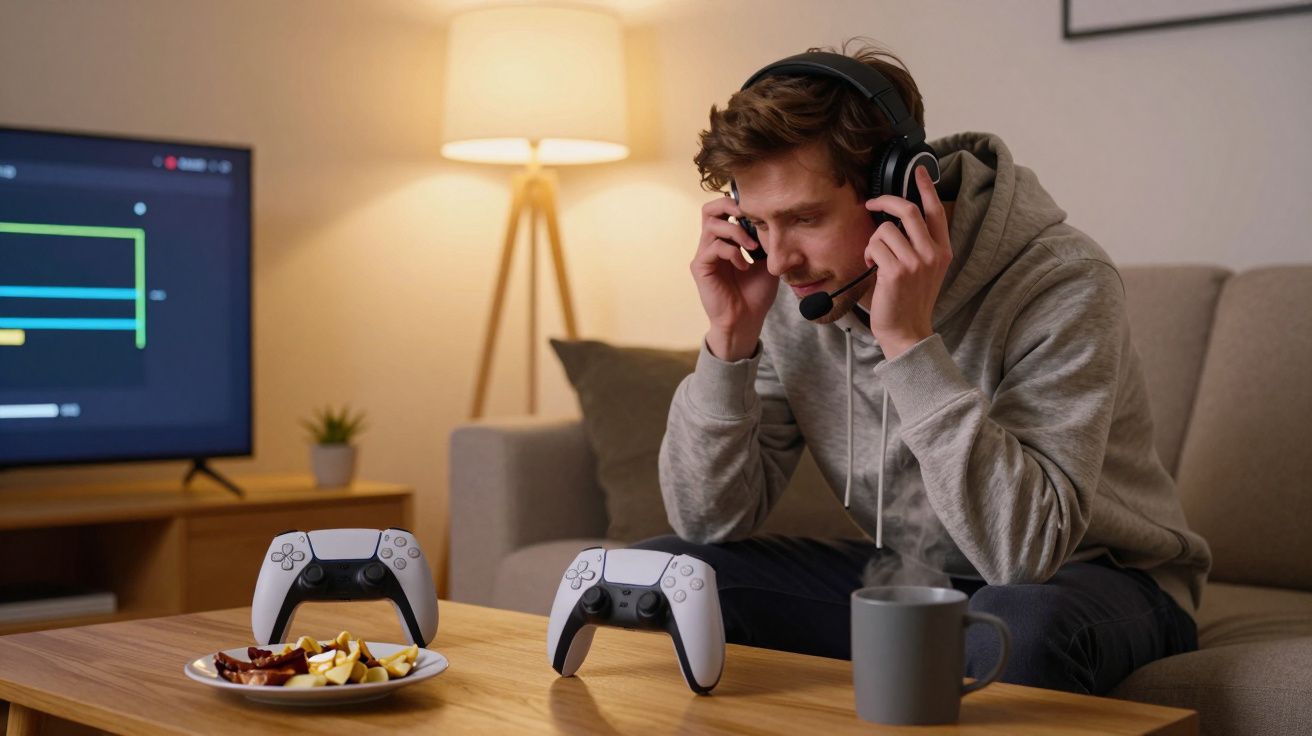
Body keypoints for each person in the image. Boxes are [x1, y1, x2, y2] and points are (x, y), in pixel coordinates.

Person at [635, 41, 1212, 695]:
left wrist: (909, 344)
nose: (778, 260)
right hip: (913, 572)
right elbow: (709, 523)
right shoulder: (788, 291)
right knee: (667, 579)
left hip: (1095, 580)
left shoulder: (1063, 281)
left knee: (1018, 629)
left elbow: (1021, 553)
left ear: (900, 188)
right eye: (760, 224)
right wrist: (729, 343)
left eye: (804, 218)